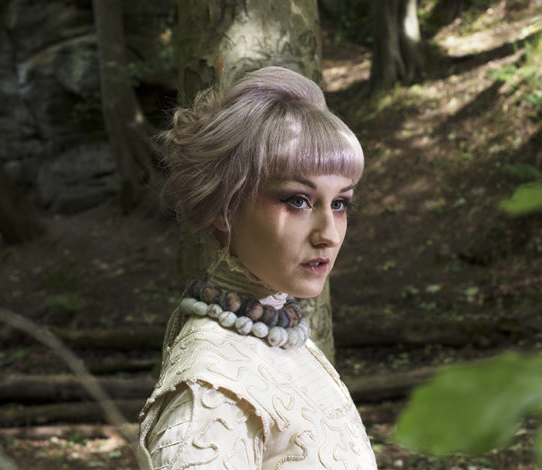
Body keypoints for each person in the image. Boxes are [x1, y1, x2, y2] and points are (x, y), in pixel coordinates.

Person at [137, 66, 378, 469]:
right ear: (224, 205)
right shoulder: (209, 393)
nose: (329, 234)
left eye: (340, 203)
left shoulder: (278, 336)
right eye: (297, 201)